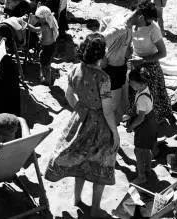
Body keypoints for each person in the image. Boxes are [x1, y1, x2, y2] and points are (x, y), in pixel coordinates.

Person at [45, 34, 119, 218]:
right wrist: (115, 133)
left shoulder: (75, 70)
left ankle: (77, 200)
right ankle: (95, 210)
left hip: (80, 120)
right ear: (101, 55)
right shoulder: (103, 78)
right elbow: (108, 110)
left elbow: (69, 96)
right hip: (100, 126)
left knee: (80, 161)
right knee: (100, 165)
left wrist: (80, 110)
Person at [128, 0, 174, 126]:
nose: (150, 22)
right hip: (135, 62)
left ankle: (151, 121)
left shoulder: (153, 29)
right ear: (141, 17)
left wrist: (143, 60)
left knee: (152, 95)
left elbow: (163, 53)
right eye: (148, 19)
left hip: (149, 64)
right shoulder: (131, 24)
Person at [124, 67, 158, 185]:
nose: (130, 84)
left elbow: (141, 117)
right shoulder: (145, 90)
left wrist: (131, 127)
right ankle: (147, 168)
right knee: (146, 149)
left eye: (132, 82)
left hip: (144, 126)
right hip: (151, 121)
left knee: (138, 150)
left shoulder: (142, 98)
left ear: (141, 83)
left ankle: (142, 176)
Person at [26, 5, 59, 84]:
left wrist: (26, 23)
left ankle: (47, 80)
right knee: (43, 60)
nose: (38, 20)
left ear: (44, 18)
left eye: (39, 18)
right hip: (49, 46)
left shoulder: (46, 26)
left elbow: (33, 29)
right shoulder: (49, 22)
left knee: (46, 64)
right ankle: (44, 77)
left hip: (48, 48)